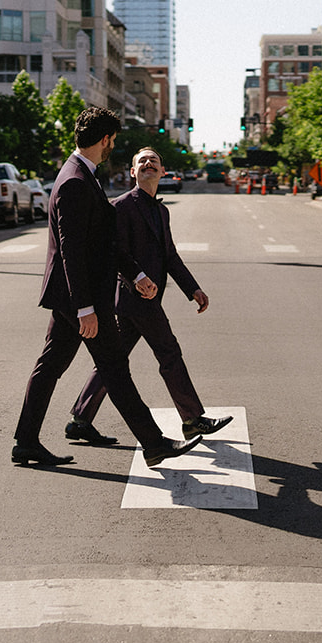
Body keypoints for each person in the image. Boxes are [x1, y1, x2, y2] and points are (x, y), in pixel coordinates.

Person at [13, 108, 203, 469]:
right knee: (115, 366)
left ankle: (25, 441)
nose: (112, 146)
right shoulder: (74, 181)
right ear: (105, 140)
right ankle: (153, 442)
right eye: (112, 141)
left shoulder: (84, 175)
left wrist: (136, 274)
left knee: (50, 366)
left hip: (73, 296)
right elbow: (72, 248)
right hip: (80, 298)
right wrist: (85, 307)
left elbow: (104, 243)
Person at [66, 147, 232, 446]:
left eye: (154, 161)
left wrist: (192, 288)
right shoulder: (121, 206)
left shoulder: (161, 210)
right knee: (169, 352)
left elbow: (170, 256)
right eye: (141, 161)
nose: (147, 164)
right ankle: (193, 418)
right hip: (134, 297)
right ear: (133, 172)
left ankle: (80, 419)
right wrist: (136, 279)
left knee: (112, 361)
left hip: (143, 301)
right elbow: (117, 253)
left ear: (162, 171)